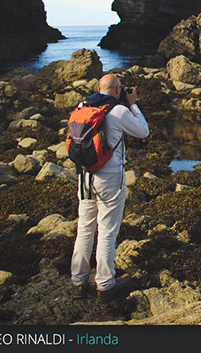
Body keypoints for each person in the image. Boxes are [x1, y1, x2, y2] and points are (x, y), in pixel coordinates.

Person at [70, 74, 149, 302]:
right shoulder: (118, 111)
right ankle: (105, 285)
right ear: (117, 90)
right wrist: (133, 104)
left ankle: (78, 283)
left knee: (84, 228)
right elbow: (143, 131)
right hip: (110, 177)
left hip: (84, 176)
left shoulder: (82, 106)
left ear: (98, 88)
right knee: (107, 231)